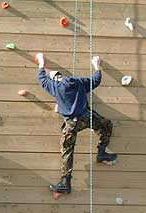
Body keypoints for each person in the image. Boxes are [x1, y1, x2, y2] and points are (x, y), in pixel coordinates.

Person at [35, 53, 117, 194]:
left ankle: (65, 182)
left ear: (55, 79)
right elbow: (96, 80)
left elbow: (42, 79)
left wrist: (41, 62)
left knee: (67, 151)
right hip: (87, 117)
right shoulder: (79, 82)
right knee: (107, 124)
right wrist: (97, 66)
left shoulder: (56, 86)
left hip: (71, 124)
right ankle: (102, 152)